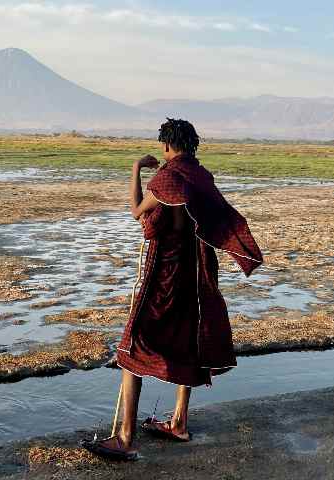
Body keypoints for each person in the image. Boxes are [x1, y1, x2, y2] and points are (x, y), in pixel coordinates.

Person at [83, 118, 263, 460]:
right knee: (190, 337)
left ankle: (125, 437)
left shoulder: (166, 178)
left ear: (167, 145)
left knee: (133, 345)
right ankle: (178, 422)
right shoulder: (201, 178)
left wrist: (136, 168)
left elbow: (138, 213)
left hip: (164, 273)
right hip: (196, 274)